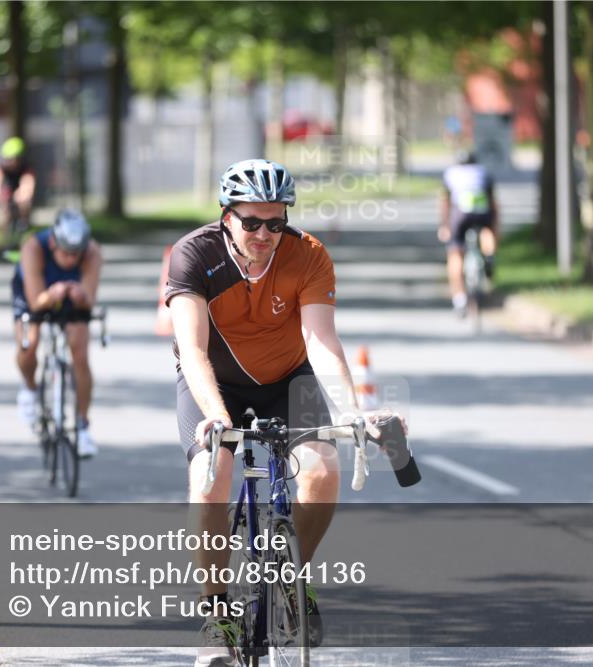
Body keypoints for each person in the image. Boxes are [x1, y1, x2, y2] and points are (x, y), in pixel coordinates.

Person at [166, 158, 391, 666]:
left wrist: (351, 411)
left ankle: (292, 578)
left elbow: (321, 339)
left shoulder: (308, 255)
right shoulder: (193, 255)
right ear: (227, 216)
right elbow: (193, 350)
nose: (265, 234)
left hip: (289, 377)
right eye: (252, 223)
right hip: (214, 383)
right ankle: (216, 614)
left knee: (323, 469)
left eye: (276, 222)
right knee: (211, 475)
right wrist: (217, 417)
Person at [12, 209, 103, 457]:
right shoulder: (33, 248)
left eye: (76, 254)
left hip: (70, 293)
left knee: (80, 353)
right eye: (65, 252)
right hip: (34, 292)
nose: (71, 259)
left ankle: (83, 427)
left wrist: (80, 297)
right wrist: (52, 295)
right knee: (29, 345)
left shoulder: (92, 252)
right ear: (53, 243)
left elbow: (89, 301)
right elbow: (35, 303)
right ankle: (30, 388)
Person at [438, 150, 500, 316]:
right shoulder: (483, 173)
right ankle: (490, 257)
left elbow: (445, 203)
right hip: (482, 213)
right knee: (486, 231)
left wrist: (445, 226)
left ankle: (459, 299)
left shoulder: (451, 174)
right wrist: (495, 229)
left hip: (460, 215)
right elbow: (494, 203)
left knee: (455, 253)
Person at [0, 136, 36, 243]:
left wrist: (23, 196)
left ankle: (23, 228)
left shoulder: (26, 170)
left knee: (24, 203)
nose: (10, 162)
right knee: (5, 214)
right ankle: (4, 241)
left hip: (19, 193)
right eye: (8, 159)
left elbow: (28, 185)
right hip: (7, 192)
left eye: (13, 159)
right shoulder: (0, 170)